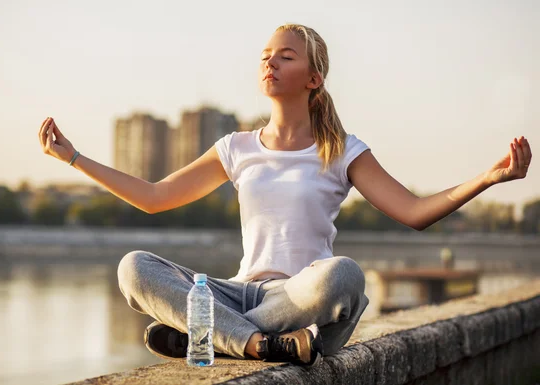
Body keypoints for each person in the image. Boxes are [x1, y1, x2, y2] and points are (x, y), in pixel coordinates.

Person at [38, 23, 533, 367]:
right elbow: (153, 197)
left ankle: (209, 335)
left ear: (314, 79)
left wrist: (488, 179)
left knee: (344, 276)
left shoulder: (342, 151)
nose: (270, 62)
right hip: (240, 288)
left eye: (285, 56)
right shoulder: (235, 148)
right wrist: (75, 158)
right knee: (133, 268)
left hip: (300, 296)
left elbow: (415, 212)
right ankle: (260, 347)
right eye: (265, 57)